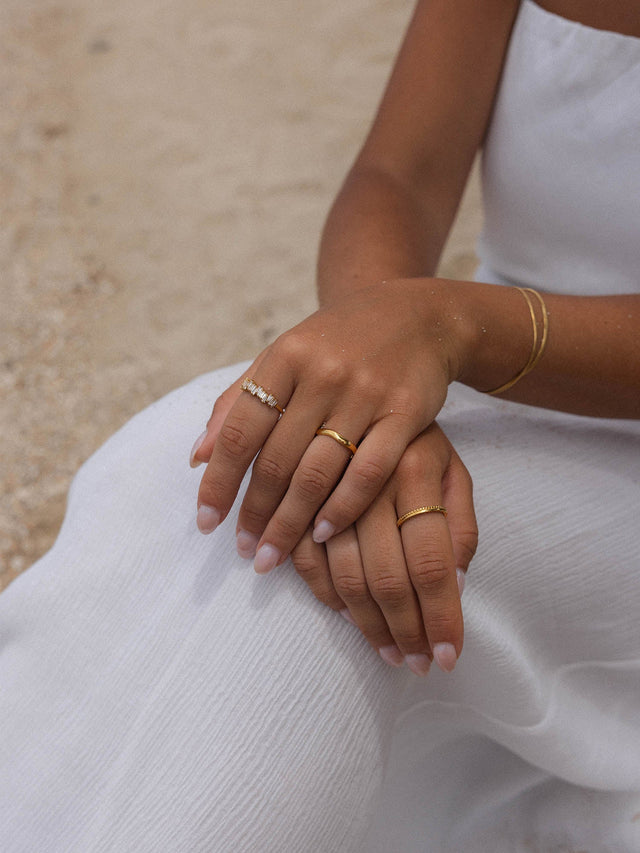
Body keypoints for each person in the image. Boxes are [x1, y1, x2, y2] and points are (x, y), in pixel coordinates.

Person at [1, 0, 639, 850]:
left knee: (323, 596)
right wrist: (381, 384)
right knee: (190, 474)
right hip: (470, 373)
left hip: (543, 402)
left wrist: (446, 330)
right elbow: (397, 175)